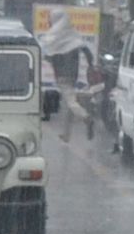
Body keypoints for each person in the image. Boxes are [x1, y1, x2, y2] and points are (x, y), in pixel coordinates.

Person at [40, 9, 95, 142]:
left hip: (62, 76)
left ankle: (86, 118)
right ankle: (66, 134)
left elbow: (48, 56)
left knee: (71, 102)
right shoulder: (72, 35)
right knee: (70, 104)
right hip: (75, 74)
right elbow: (87, 51)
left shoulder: (53, 38)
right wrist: (91, 65)